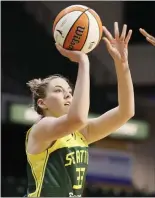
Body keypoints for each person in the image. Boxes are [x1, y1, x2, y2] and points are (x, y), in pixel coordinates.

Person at [25, 22, 135, 197]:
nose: (69, 95)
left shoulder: (80, 134)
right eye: (58, 91)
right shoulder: (41, 129)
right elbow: (78, 118)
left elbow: (126, 112)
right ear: (42, 103)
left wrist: (122, 64)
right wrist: (83, 61)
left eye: (70, 91)